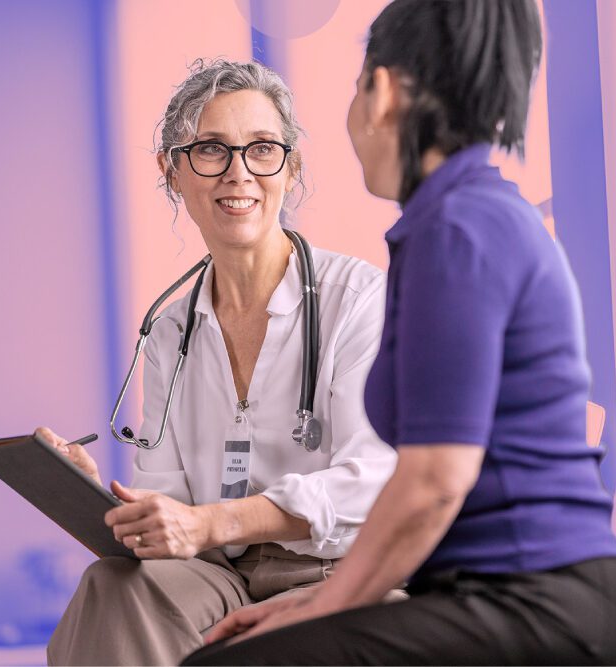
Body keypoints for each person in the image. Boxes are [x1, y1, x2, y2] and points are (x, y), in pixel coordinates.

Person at [184, 1, 616, 665]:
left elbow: (434, 481)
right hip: (513, 599)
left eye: (354, 89)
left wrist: (327, 601)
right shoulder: (465, 217)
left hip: (546, 613)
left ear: (382, 92)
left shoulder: (456, 229)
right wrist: (309, 603)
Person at [40, 59, 397, 666]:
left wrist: (213, 524)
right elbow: (169, 500)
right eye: (210, 150)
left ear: (292, 168)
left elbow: (372, 480)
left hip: (341, 568)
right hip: (221, 578)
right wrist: (99, 497)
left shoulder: (358, 299)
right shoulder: (170, 331)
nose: (239, 174)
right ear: (173, 170)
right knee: (113, 588)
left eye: (262, 149)